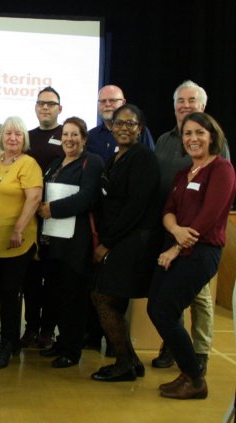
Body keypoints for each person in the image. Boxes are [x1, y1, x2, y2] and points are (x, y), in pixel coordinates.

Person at [148, 112, 236, 399]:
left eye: (199, 132)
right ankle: (187, 373)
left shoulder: (221, 169)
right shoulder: (182, 174)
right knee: (156, 309)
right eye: (187, 133)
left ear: (212, 136)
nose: (193, 138)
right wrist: (174, 229)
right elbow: (167, 209)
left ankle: (195, 379)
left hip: (201, 252)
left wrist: (177, 246)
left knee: (164, 310)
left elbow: (209, 215)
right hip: (177, 247)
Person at [90, 104, 162, 382]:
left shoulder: (143, 158)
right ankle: (130, 362)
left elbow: (136, 207)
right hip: (122, 239)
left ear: (140, 129)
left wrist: (106, 243)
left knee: (103, 297)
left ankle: (124, 362)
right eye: (119, 123)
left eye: (130, 124)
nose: (123, 128)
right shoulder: (116, 156)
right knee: (111, 300)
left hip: (133, 241)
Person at [37, 117, 104, 368]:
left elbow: (86, 198)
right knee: (56, 293)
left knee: (74, 296)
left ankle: (72, 349)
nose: (69, 139)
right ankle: (61, 342)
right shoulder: (55, 164)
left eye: (75, 135)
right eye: (66, 134)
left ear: (84, 138)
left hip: (77, 242)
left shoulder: (92, 162)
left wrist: (51, 209)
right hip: (53, 241)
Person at [0, 116, 42, 368]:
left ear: (24, 138)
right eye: (8, 134)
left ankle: (8, 342)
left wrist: (18, 229)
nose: (12, 138)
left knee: (9, 294)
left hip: (16, 242)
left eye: (18, 134)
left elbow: (34, 199)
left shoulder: (29, 164)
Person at [21, 86, 64, 349]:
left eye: (50, 103)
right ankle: (30, 329)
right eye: (40, 103)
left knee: (55, 279)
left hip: (59, 219)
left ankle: (48, 330)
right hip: (31, 219)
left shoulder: (67, 134)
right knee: (31, 279)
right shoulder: (27, 137)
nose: (45, 107)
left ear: (60, 108)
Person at [87, 85, 155, 164]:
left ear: (123, 103)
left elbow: (150, 161)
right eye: (102, 101)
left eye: (112, 100)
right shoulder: (90, 136)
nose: (107, 104)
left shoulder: (138, 131)